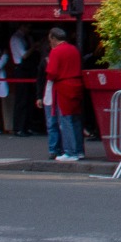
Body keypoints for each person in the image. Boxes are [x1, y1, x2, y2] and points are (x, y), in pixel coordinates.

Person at [43, 26, 86, 161]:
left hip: (63, 87)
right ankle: (79, 150)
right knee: (76, 119)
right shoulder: (74, 49)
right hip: (76, 84)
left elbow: (51, 73)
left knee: (65, 120)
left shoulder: (56, 51)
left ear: (53, 38)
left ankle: (70, 152)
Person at [7, 24, 37, 136]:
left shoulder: (26, 38)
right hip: (21, 69)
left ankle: (27, 126)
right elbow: (24, 55)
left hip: (28, 69)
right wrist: (33, 47)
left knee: (29, 98)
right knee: (21, 99)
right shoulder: (16, 38)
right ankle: (19, 127)